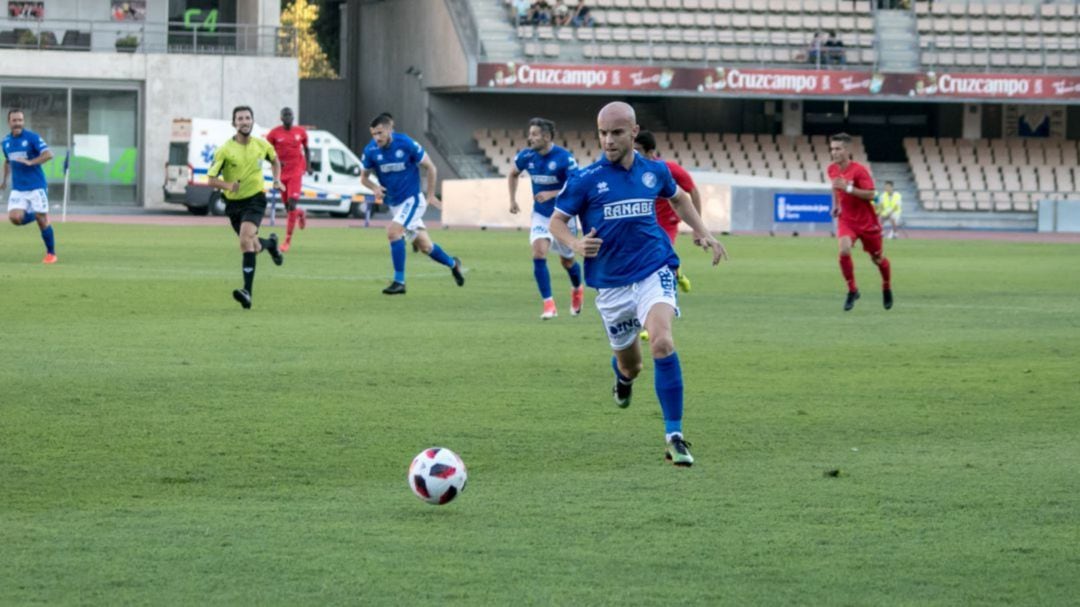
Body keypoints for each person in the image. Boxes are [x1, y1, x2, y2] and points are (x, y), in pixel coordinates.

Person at [549, 102, 727, 467]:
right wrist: (575, 244)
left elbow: (679, 199)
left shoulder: (655, 171)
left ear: (634, 132)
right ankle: (623, 379)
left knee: (662, 341)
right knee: (631, 365)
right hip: (612, 284)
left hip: (653, 267)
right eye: (602, 133)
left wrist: (703, 232)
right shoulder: (586, 179)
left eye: (616, 133)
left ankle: (674, 436)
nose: (608, 141)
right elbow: (557, 222)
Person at [360, 113, 464, 295]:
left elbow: (431, 167)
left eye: (380, 133)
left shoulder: (406, 144)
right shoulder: (371, 151)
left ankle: (399, 282)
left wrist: (430, 196)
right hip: (395, 205)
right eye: (373, 134)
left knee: (393, 231)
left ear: (390, 130)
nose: (376, 138)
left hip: (413, 200)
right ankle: (453, 264)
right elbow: (364, 178)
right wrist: (374, 187)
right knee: (425, 247)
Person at [206, 105, 285, 309]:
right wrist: (228, 185)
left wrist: (276, 180)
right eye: (240, 119)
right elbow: (211, 180)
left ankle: (247, 293)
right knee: (254, 245)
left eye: (247, 118)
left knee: (244, 240)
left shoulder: (262, 145)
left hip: (256, 199)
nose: (244, 121)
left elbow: (276, 162)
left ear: (252, 121)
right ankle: (271, 245)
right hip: (233, 204)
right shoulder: (225, 150)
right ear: (234, 124)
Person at [508, 117, 584, 320]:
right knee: (538, 252)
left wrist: (551, 194)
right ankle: (549, 304)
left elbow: (576, 186)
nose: (529, 138)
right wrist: (512, 200)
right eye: (530, 133)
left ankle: (577, 288)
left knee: (567, 262)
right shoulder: (527, 156)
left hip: (563, 217)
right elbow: (513, 174)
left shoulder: (564, 158)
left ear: (547, 136)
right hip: (541, 215)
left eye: (534, 134)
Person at [826, 132, 892, 312]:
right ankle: (852, 290)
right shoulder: (831, 169)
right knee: (844, 249)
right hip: (847, 219)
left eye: (838, 149)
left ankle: (886, 286)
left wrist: (848, 188)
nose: (834, 152)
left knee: (877, 259)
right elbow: (835, 188)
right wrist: (836, 205)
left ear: (847, 150)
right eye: (832, 149)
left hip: (866, 221)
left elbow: (872, 194)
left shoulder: (859, 170)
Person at [633, 130, 698, 294]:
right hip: (643, 223)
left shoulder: (668, 169)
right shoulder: (629, 171)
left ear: (650, 152)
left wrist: (698, 229)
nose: (634, 153)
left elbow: (693, 191)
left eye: (638, 150)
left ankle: (670, 288)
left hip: (666, 223)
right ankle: (676, 275)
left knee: (660, 258)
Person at [2, 108, 56, 264]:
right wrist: (4, 181)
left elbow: (49, 154)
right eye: (14, 120)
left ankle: (51, 253)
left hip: (36, 186)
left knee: (42, 221)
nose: (17, 123)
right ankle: (39, 214)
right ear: (9, 122)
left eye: (20, 120)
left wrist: (31, 162)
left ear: (23, 121)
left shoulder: (32, 138)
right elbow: (7, 161)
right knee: (15, 218)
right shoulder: (5, 142)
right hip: (18, 188)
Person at [265, 107, 310, 253]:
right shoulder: (274, 133)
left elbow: (307, 149)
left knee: (291, 204)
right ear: (281, 118)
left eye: (290, 114)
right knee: (288, 208)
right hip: (281, 174)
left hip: (296, 171)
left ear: (293, 116)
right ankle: (300, 213)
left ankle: (287, 241)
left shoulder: (300, 132)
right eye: (285, 115)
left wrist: (308, 166)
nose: (288, 117)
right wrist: (275, 161)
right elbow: (266, 151)